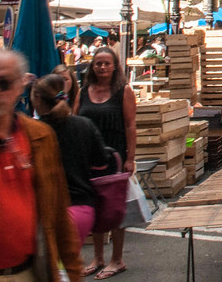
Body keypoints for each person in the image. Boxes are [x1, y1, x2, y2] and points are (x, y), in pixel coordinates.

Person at [0, 49, 84, 282]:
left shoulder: (40, 136)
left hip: (31, 273)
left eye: (2, 83)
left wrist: (72, 271)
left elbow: (58, 212)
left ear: (21, 86)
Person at [75, 46, 137, 279]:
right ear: (92, 66)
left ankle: (117, 259)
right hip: (87, 157)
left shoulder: (123, 90)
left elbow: (131, 125)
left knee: (114, 207)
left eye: (106, 63)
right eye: (98, 63)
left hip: (114, 157)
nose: (102, 67)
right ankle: (98, 257)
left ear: (114, 66)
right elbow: (75, 120)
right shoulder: (83, 91)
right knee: (94, 206)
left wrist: (130, 158)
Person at [31, 73, 111, 245]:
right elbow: (101, 162)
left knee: (53, 269)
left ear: (37, 98)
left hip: (48, 212)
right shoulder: (84, 125)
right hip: (83, 210)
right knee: (67, 268)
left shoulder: (35, 132)